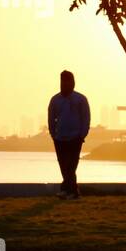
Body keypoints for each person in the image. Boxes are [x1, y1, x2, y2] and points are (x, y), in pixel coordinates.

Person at [48, 70, 91, 198]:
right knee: (63, 165)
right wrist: (53, 134)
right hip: (60, 138)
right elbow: (51, 118)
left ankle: (68, 190)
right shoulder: (55, 100)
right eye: (63, 81)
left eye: (68, 81)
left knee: (71, 165)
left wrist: (82, 135)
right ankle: (71, 191)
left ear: (73, 82)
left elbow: (86, 118)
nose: (65, 84)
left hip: (75, 138)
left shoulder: (81, 99)